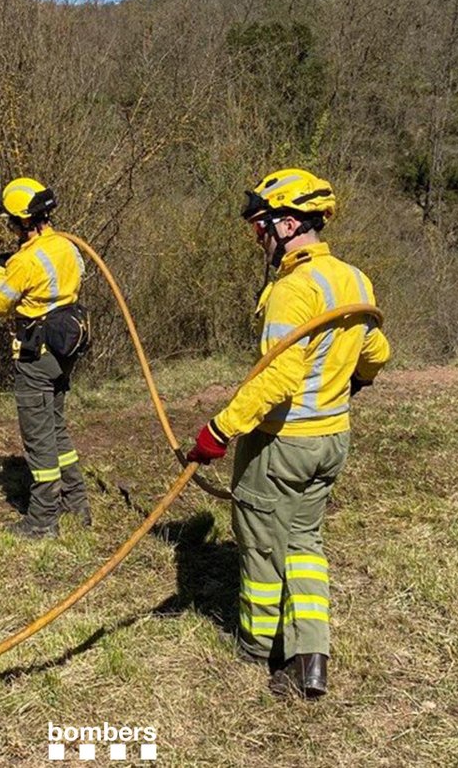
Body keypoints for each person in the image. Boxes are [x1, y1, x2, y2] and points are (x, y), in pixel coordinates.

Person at [185, 168, 391, 699]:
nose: (258, 238)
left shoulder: (292, 291)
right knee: (303, 541)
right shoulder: (354, 280)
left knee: (257, 542)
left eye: (262, 227)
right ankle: (310, 656)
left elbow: (276, 379)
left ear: (290, 222)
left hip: (281, 444)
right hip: (331, 441)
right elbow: (376, 354)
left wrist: (218, 431)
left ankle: (258, 645)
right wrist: (352, 381)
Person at [0, 177, 92, 538]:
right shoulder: (65, 246)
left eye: (10, 221)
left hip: (36, 357)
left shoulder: (25, 261)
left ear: (22, 221)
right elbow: (74, 275)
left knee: (39, 439)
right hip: (64, 350)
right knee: (57, 429)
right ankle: (77, 504)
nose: (9, 226)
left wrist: (0, 271)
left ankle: (42, 521)